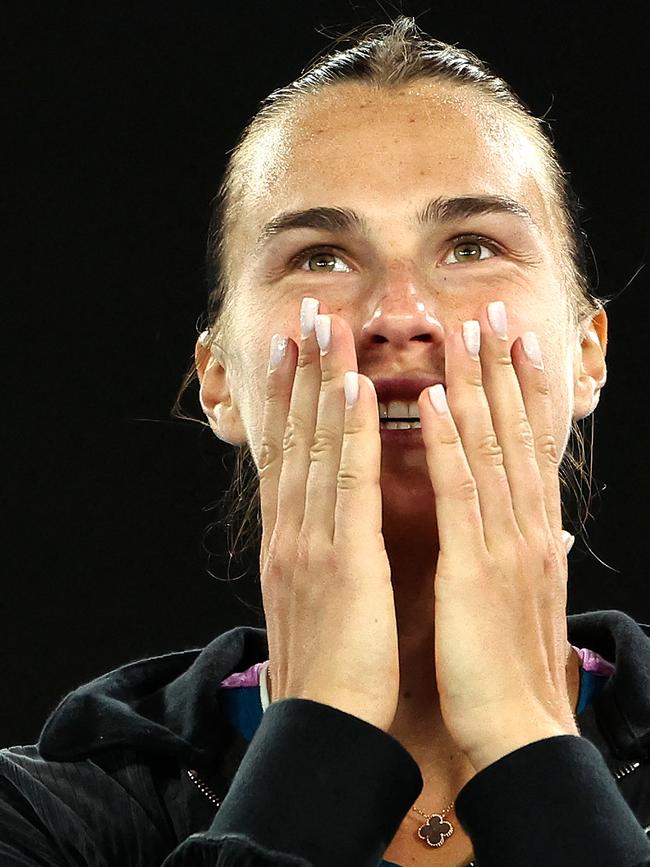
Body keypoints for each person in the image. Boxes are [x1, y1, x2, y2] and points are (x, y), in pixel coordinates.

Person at [2, 15, 650, 867]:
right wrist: (324, 726)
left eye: (471, 245)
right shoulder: (42, 815)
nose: (398, 317)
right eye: (320, 257)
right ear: (219, 377)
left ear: (587, 356)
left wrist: (531, 741)